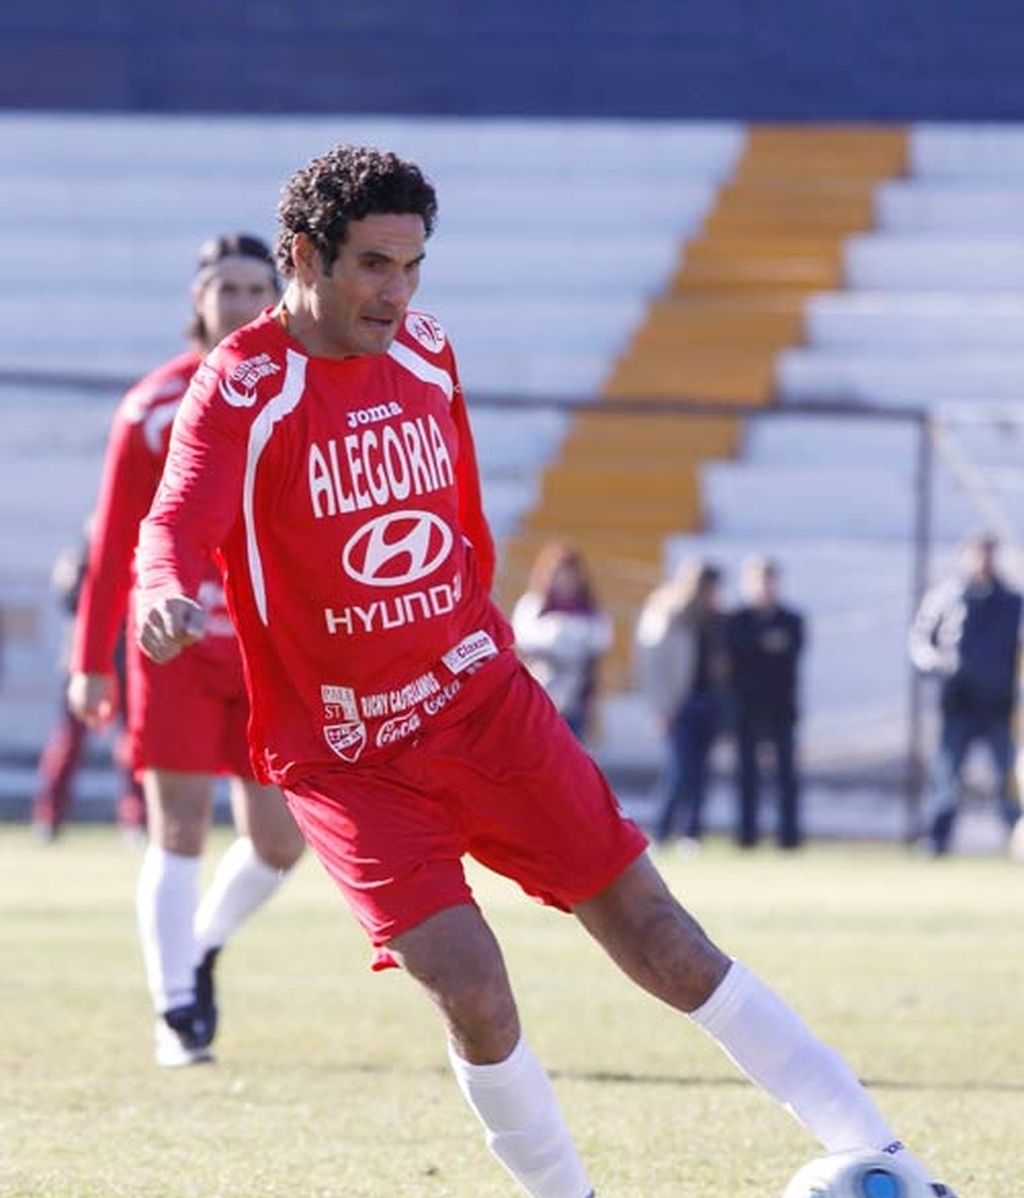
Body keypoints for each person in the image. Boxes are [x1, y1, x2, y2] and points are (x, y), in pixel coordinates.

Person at [134, 145, 956, 1196]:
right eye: (375, 265)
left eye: (413, 266)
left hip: (482, 706)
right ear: (305, 255)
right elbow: (174, 521)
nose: (397, 292)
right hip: (348, 754)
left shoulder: (427, 352)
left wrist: (477, 645)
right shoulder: (243, 386)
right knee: (473, 989)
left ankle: (895, 1164)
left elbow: (461, 529)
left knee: (664, 939)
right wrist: (161, 588)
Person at [68, 233, 306, 1067]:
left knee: (281, 842)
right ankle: (175, 1014)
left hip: (267, 651)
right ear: (198, 299)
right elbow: (114, 543)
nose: (240, 303)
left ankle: (200, 947)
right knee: (179, 827)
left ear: (278, 297)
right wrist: (89, 661)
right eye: (225, 288)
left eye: (254, 288)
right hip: (173, 645)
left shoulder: (301, 390)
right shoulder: (151, 409)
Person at [909, 532, 1022, 856]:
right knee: (947, 774)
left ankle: (1016, 838)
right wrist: (940, 665)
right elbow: (920, 643)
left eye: (988, 554)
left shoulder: (1012, 601)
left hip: (998, 704)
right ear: (964, 557)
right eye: (977, 554)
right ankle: (937, 840)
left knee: (1007, 776)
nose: (982, 561)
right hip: (958, 703)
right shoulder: (945, 598)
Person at [33, 520, 146, 841]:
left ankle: (136, 820)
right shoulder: (81, 561)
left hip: (125, 662)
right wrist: (88, 569)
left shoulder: (136, 561)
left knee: (132, 745)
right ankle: (49, 816)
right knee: (69, 743)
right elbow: (68, 595)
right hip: (83, 665)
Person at [635, 560, 729, 848]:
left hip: (709, 701)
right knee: (680, 770)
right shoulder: (669, 614)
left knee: (701, 773)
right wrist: (660, 709)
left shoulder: (717, 620)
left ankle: (692, 832)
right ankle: (662, 829)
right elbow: (653, 666)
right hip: (680, 703)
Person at [727, 555, 805, 849]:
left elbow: (790, 656)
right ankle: (746, 837)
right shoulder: (737, 621)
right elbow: (736, 659)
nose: (765, 588)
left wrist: (760, 645)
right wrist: (765, 644)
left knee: (786, 776)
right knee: (747, 775)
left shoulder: (791, 620)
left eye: (769, 581)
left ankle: (789, 838)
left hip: (781, 707)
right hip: (746, 708)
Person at [511, 542, 612, 740]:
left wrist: (567, 634)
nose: (565, 580)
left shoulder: (590, 608)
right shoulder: (533, 604)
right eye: (560, 574)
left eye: (570, 574)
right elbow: (522, 638)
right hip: (539, 697)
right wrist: (559, 633)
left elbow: (600, 642)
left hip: (577, 700)